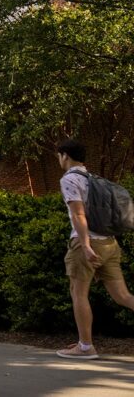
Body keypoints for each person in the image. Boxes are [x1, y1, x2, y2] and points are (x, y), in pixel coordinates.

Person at [56, 138, 134, 359]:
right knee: (123, 295)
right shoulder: (92, 178)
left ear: (65, 156)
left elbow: (78, 214)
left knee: (78, 293)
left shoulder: (70, 179)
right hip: (110, 242)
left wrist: (87, 245)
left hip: (86, 243)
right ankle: (83, 344)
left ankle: (85, 346)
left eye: (59, 156)